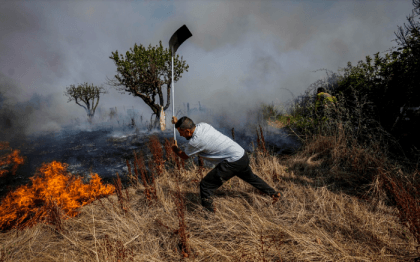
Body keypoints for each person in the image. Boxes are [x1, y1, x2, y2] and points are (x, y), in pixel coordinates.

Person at [171, 116, 281, 213]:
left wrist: (175, 149)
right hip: (241, 155)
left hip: (232, 161)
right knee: (251, 178)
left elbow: (184, 156)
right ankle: (274, 193)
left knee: (206, 185)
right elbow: (187, 125)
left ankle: (208, 215)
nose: (180, 135)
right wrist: (177, 123)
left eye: (181, 132)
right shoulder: (203, 125)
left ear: (188, 131)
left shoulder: (194, 142)